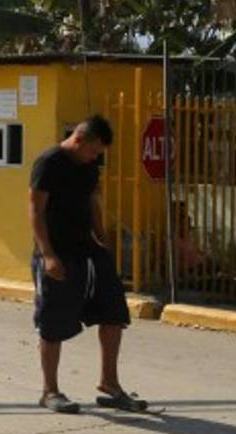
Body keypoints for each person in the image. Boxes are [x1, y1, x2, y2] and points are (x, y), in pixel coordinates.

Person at [29, 115, 147, 414]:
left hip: (89, 250)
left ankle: (110, 384)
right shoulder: (49, 163)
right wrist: (48, 255)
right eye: (93, 151)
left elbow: (93, 200)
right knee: (53, 321)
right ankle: (50, 391)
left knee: (114, 311)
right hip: (57, 251)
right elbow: (35, 210)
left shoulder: (89, 166)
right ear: (78, 139)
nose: (95, 157)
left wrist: (102, 237)